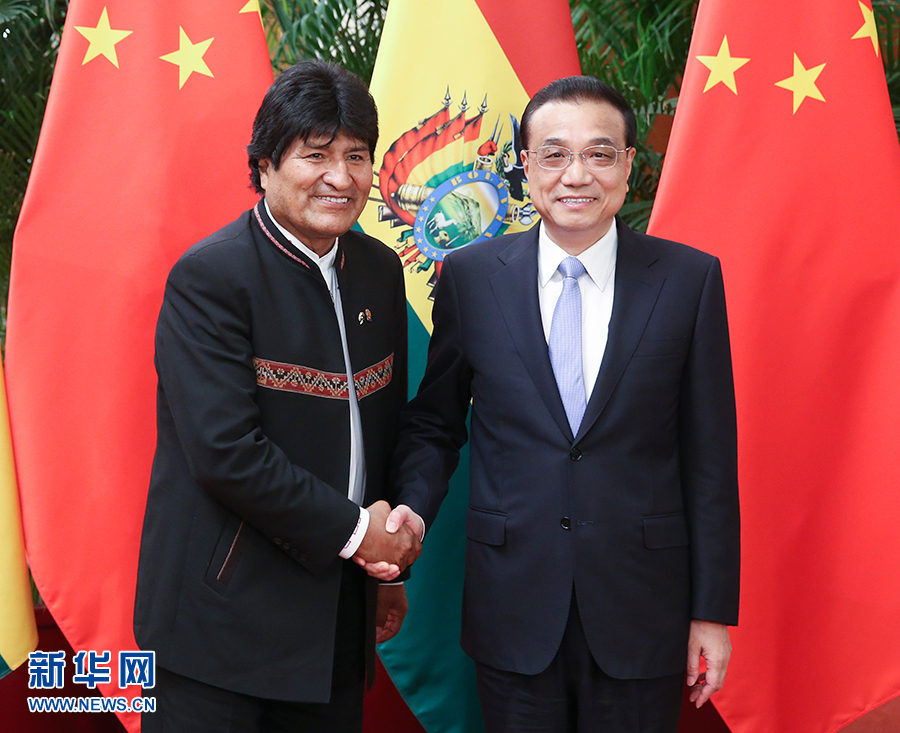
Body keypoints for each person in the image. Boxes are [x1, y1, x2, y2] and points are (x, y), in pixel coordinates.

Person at [384, 76, 740, 733]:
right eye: (554, 154)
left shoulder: (689, 280)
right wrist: (413, 505)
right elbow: (435, 423)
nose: (576, 174)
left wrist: (711, 612)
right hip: (512, 601)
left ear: (627, 166)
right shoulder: (471, 277)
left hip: (643, 607)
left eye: (599, 154)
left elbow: (710, 457)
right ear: (526, 166)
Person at [134, 60, 420, 733]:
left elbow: (382, 431)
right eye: (315, 155)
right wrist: (363, 536)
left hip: (337, 620)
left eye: (357, 156)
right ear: (264, 165)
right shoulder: (210, 277)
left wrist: (385, 571)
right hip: (221, 627)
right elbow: (226, 453)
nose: (341, 177)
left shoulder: (379, 270)